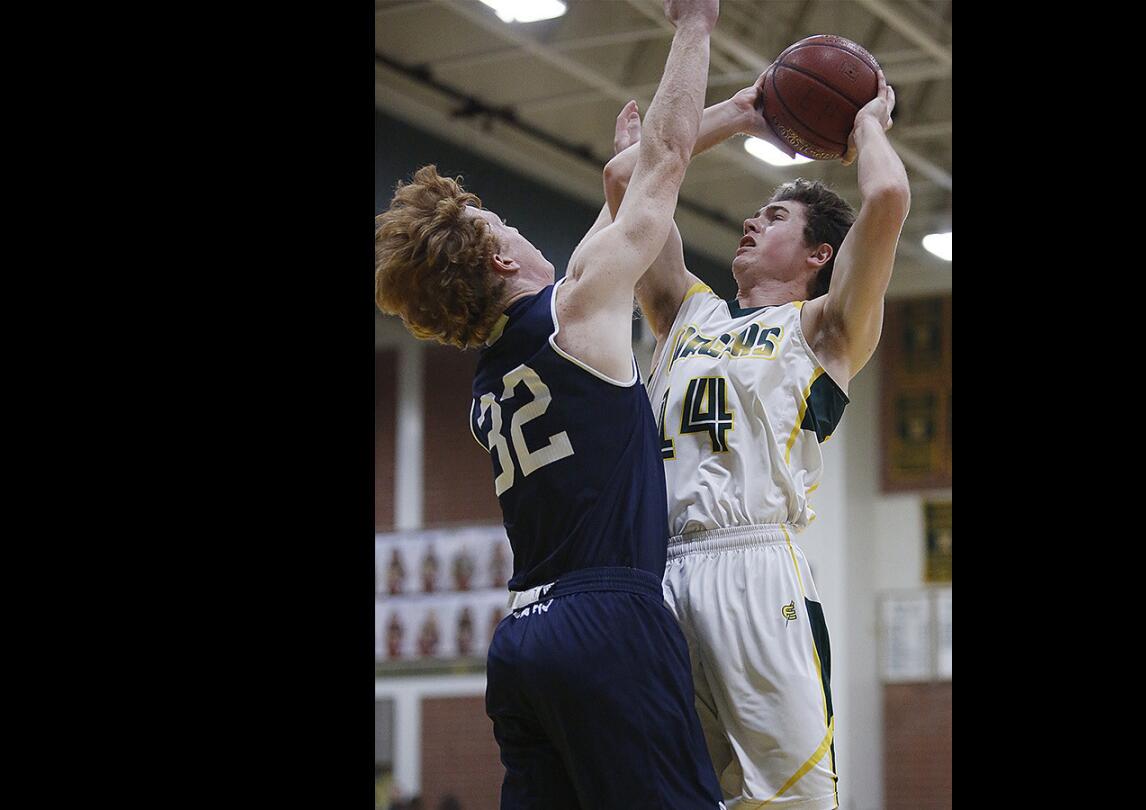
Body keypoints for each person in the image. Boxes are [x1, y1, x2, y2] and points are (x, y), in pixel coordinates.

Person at [373, 1, 725, 807]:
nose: (524, 230)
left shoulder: (488, 386)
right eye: (507, 220)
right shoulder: (577, 313)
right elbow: (659, 165)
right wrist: (693, 28)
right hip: (607, 619)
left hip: (523, 638)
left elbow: (624, 182)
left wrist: (739, 110)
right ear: (500, 254)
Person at [602, 67, 909, 810]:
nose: (750, 222)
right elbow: (623, 179)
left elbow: (890, 197)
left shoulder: (826, 329)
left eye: (773, 217)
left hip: (757, 573)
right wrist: (742, 111)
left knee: (792, 802)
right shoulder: (686, 315)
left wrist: (866, 123)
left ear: (818, 258)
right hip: (660, 574)